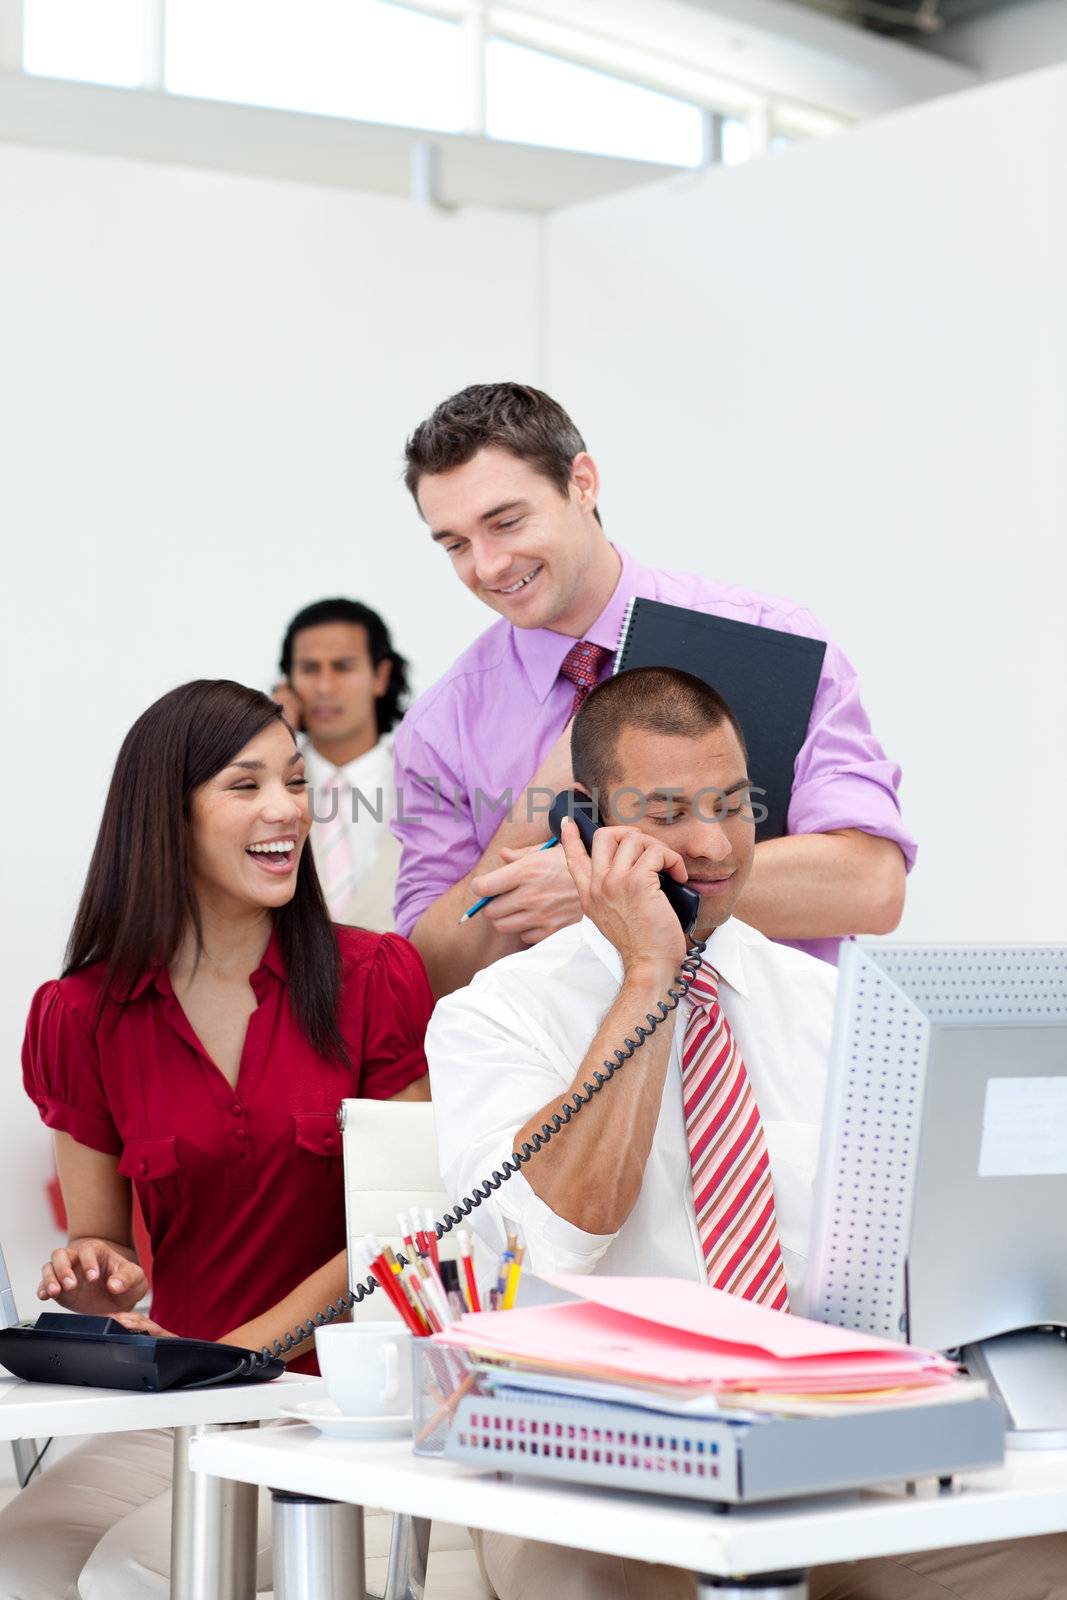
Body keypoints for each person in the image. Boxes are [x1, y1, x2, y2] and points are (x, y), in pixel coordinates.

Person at [426, 668, 1064, 1600]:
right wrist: (650, 969)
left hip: (829, 1467)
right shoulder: (494, 1019)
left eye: (733, 802)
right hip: (597, 1482)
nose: (718, 843)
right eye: (671, 811)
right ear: (584, 827)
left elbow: (914, 1274)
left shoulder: (839, 1007)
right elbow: (563, 1228)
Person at [0, 679, 431, 1600]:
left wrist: (244, 1359)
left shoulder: (375, 979)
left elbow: (408, 1231)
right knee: (18, 1563)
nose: (285, 809)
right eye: (245, 786)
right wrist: (95, 1275)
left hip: (341, 1407)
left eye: (292, 779)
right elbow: (103, 1239)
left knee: (135, 1573)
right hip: (188, 1402)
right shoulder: (79, 1014)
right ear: (167, 818)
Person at [393, 382, 915, 998]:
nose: (486, 566)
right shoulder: (440, 727)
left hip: (771, 1065)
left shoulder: (772, 639)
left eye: (505, 523)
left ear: (582, 483)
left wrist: (604, 892)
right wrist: (541, 798)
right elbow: (428, 975)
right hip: (568, 1078)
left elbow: (871, 887)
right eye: (455, 544)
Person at [273, 597, 409, 931]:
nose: (324, 687)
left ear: (380, 675)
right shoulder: (262, 788)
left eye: (343, 667)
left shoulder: (434, 782)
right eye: (309, 669)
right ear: (287, 682)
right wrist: (270, 734)